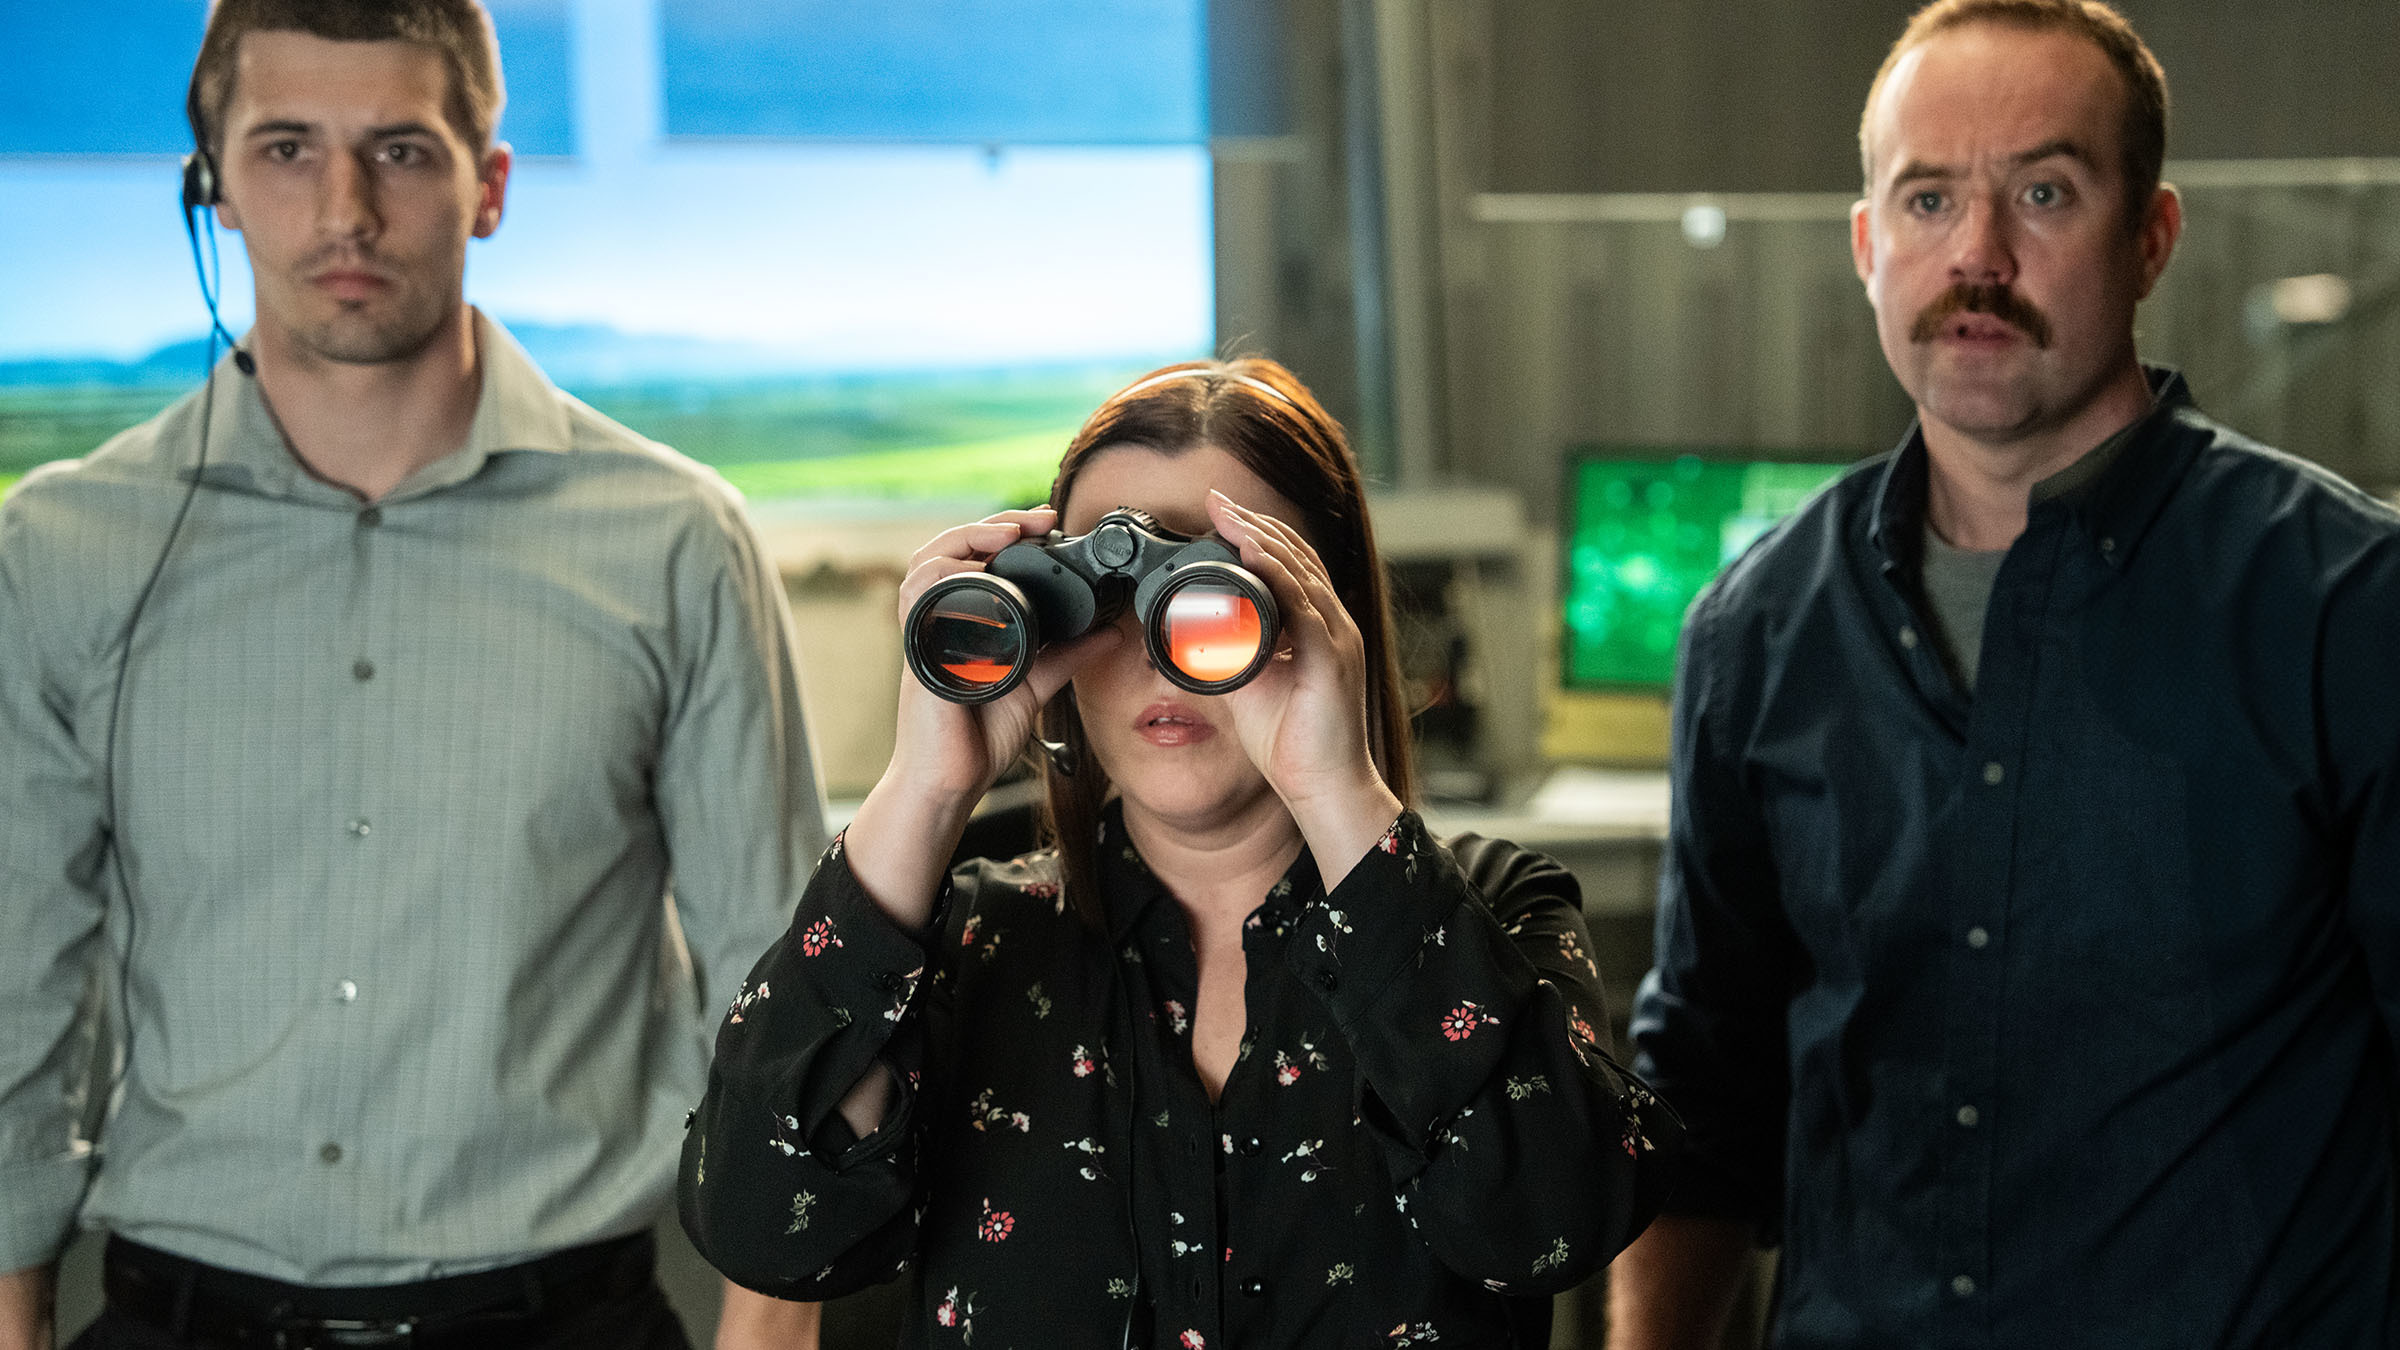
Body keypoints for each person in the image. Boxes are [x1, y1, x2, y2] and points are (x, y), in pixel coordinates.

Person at [0, 3, 827, 1347]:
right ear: (211, 184)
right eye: (285, 148)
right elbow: (14, 990)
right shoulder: (62, 547)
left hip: (563, 1320)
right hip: (176, 1314)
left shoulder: (677, 541)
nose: (345, 209)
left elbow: (781, 991)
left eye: (399, 150)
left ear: (486, 186)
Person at [1608, 1, 2400, 1346]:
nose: (1977, 253)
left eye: (2044, 192)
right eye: (1927, 200)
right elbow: (1704, 1102)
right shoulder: (1756, 630)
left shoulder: (2346, 607)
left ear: (2151, 237)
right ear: (1868, 247)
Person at [677, 358, 1681, 1347]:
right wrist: (926, 787)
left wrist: (1337, 787)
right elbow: (765, 1231)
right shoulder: (968, 945)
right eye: (1103, 597)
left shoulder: (1496, 914)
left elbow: (1553, 1227)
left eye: (1215, 589)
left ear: (1327, 620)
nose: (1161, 655)